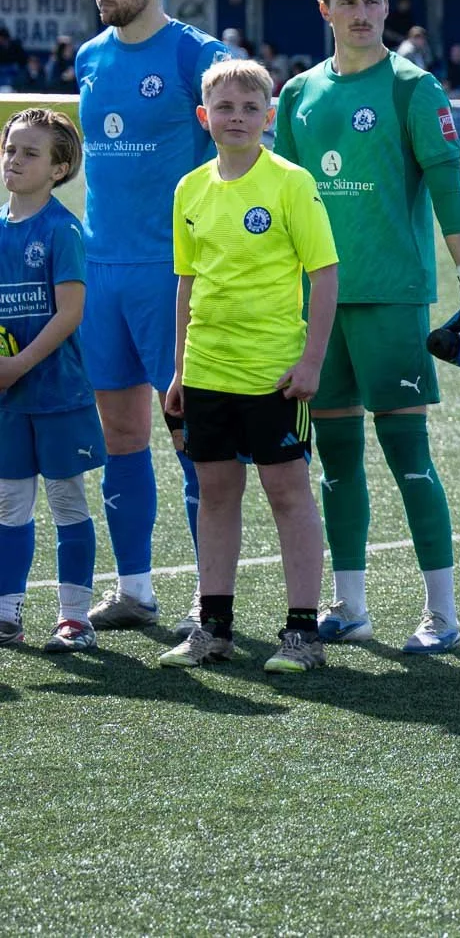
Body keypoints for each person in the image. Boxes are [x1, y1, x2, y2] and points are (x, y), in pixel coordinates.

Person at [273, 0, 460, 655]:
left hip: (391, 299)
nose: (362, 14)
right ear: (325, 8)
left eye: (374, 2)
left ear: (387, 7)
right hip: (317, 306)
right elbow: (289, 203)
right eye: (349, 2)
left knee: (408, 454)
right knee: (335, 457)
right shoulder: (298, 94)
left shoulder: (412, 87)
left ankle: (443, 612)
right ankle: (351, 604)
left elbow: (449, 189)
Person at [73, 0, 234, 636]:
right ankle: (134, 589)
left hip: (173, 278)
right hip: (100, 273)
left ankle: (211, 599)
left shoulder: (200, 56)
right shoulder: (88, 57)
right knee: (120, 436)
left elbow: (244, 158)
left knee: (190, 438)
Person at [158, 59, 339, 674]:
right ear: (204, 117)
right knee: (214, 493)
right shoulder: (190, 188)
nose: (237, 117)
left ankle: (301, 634)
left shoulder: (291, 182)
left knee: (287, 493)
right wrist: (181, 369)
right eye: (224, 108)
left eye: (249, 108)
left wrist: (311, 360)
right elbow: (186, 284)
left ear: (269, 116)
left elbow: (324, 274)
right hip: (208, 368)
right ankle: (213, 628)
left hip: (275, 371)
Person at [0, 110, 103, 653]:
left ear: (60, 168)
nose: (14, 160)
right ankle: (6, 612)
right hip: (9, 400)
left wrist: (17, 364)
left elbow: (69, 314)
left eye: (30, 153)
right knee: (9, 503)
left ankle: (73, 617)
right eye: (10, 149)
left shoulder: (63, 229)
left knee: (66, 501)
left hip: (58, 392)